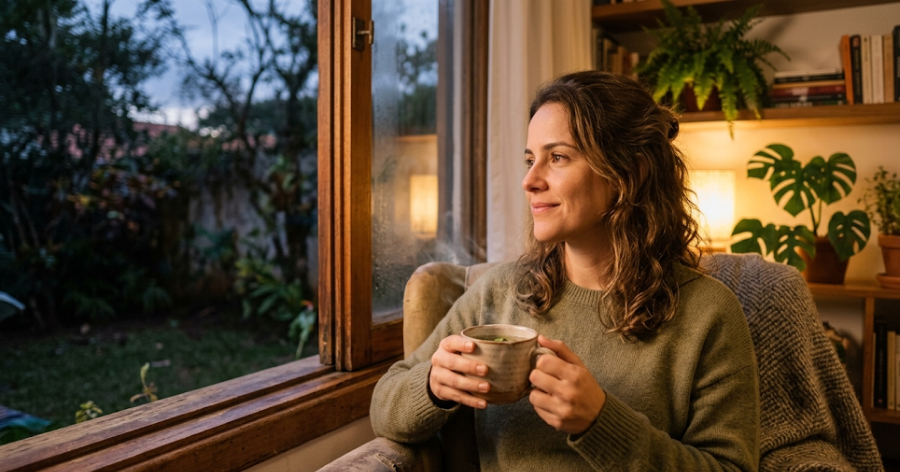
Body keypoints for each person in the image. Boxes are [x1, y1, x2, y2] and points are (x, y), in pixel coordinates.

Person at [369, 71, 760, 471]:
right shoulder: (502, 293)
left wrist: (601, 424)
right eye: (529, 159)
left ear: (631, 172)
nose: (529, 180)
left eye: (557, 157)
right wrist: (434, 387)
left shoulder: (710, 314)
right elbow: (384, 404)